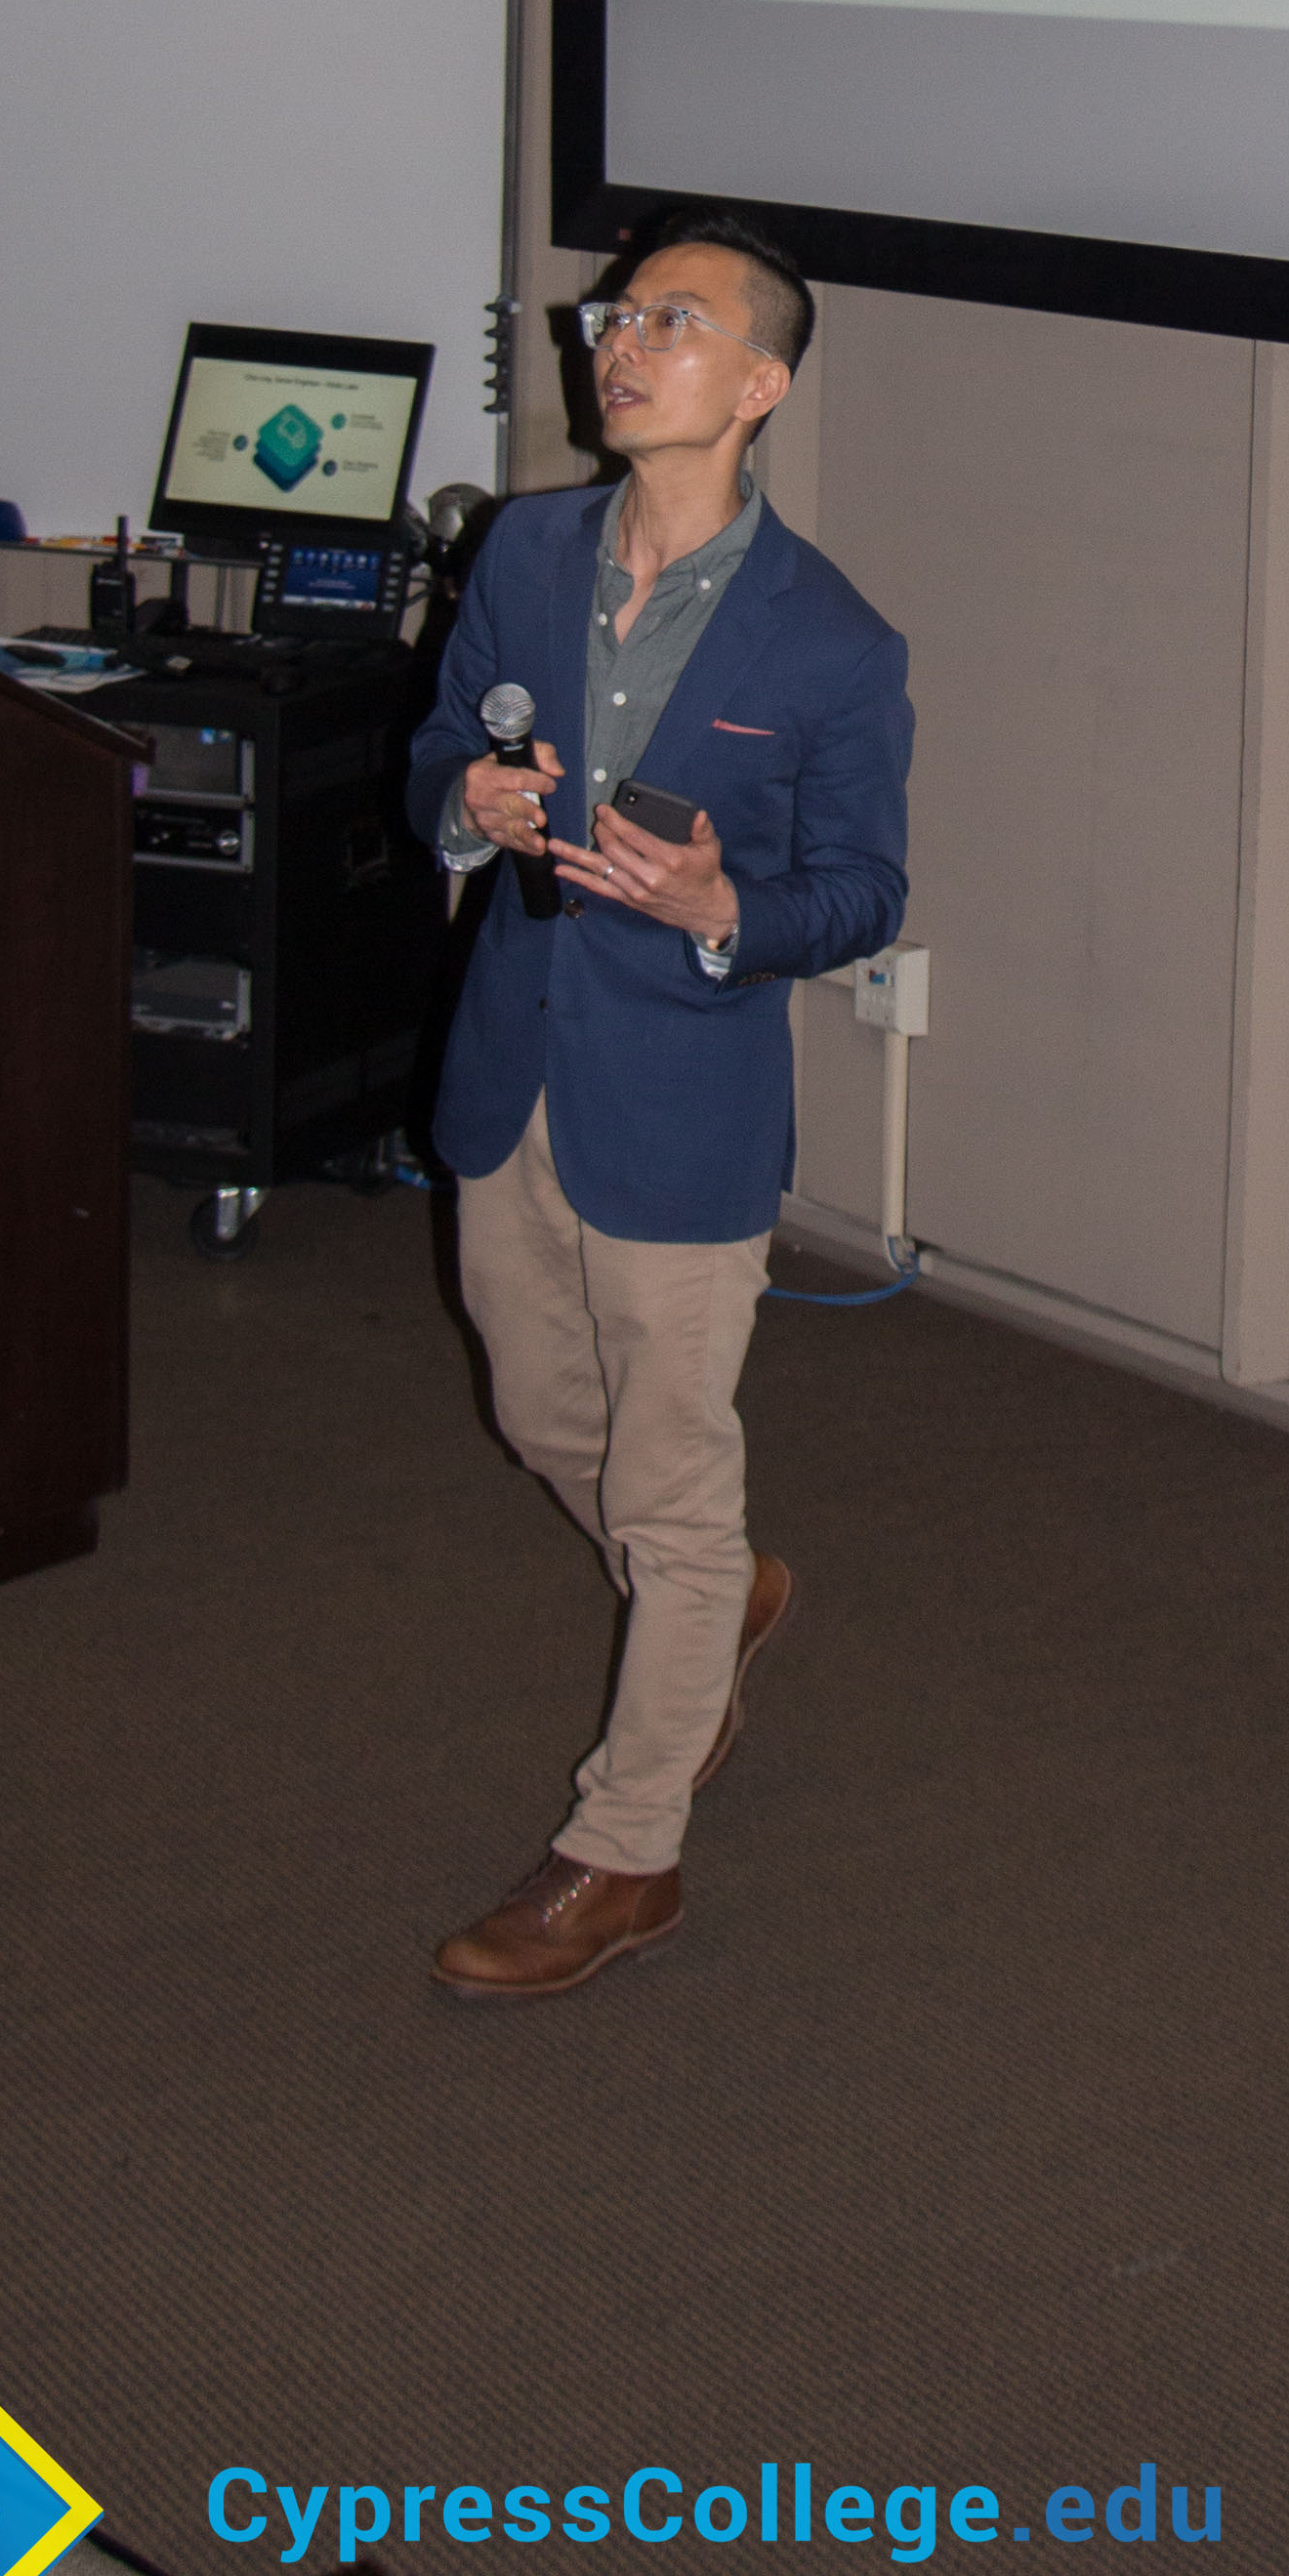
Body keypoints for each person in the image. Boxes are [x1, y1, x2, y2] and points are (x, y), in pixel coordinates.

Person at [408, 208, 909, 1999]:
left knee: (673, 1489)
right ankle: (729, 1599)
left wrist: (722, 911)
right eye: (618, 315)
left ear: (759, 385)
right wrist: (469, 802)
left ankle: (625, 1857)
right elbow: (440, 744)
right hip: (514, 1074)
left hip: (686, 1109)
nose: (617, 343)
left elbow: (863, 893)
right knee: (546, 1414)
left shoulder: (832, 642)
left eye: (671, 322)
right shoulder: (526, 550)